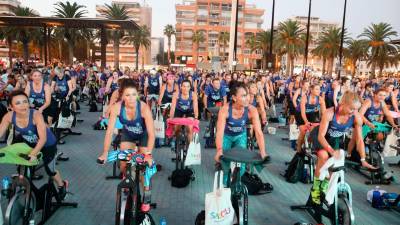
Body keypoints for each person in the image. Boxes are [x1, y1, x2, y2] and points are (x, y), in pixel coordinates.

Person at [309, 91, 375, 205]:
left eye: (356, 109)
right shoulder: (330, 113)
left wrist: (363, 159)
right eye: (351, 109)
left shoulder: (356, 117)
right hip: (321, 136)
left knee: (334, 165)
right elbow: (320, 136)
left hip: (335, 139)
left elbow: (359, 140)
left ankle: (324, 187)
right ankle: (315, 189)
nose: (353, 112)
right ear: (343, 103)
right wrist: (331, 151)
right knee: (324, 156)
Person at [0, 90, 67, 199]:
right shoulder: (9, 116)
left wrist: (33, 154)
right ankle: (30, 192)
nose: (23, 105)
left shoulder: (36, 115)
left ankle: (61, 185)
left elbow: (43, 139)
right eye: (18, 103)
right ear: (10, 107)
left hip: (47, 144)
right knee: (23, 168)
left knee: (50, 170)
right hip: (29, 142)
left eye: (25, 101)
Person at [214, 82, 269, 185]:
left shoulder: (251, 110)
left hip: (240, 136)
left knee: (242, 165)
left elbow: (258, 132)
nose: (247, 98)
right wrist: (219, 150)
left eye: (247, 94)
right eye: (243, 96)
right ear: (234, 98)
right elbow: (220, 132)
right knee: (224, 164)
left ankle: (237, 187)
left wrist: (263, 152)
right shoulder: (225, 110)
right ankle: (225, 188)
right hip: (226, 136)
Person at [296, 84, 326, 153]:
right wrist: (306, 121)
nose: (319, 91)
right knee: (303, 131)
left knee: (314, 130)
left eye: (319, 89)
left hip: (312, 114)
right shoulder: (305, 98)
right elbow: (303, 113)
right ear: (311, 90)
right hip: (300, 114)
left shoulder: (320, 99)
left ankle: (310, 143)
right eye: (317, 89)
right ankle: (298, 148)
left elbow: (324, 114)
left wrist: (324, 122)